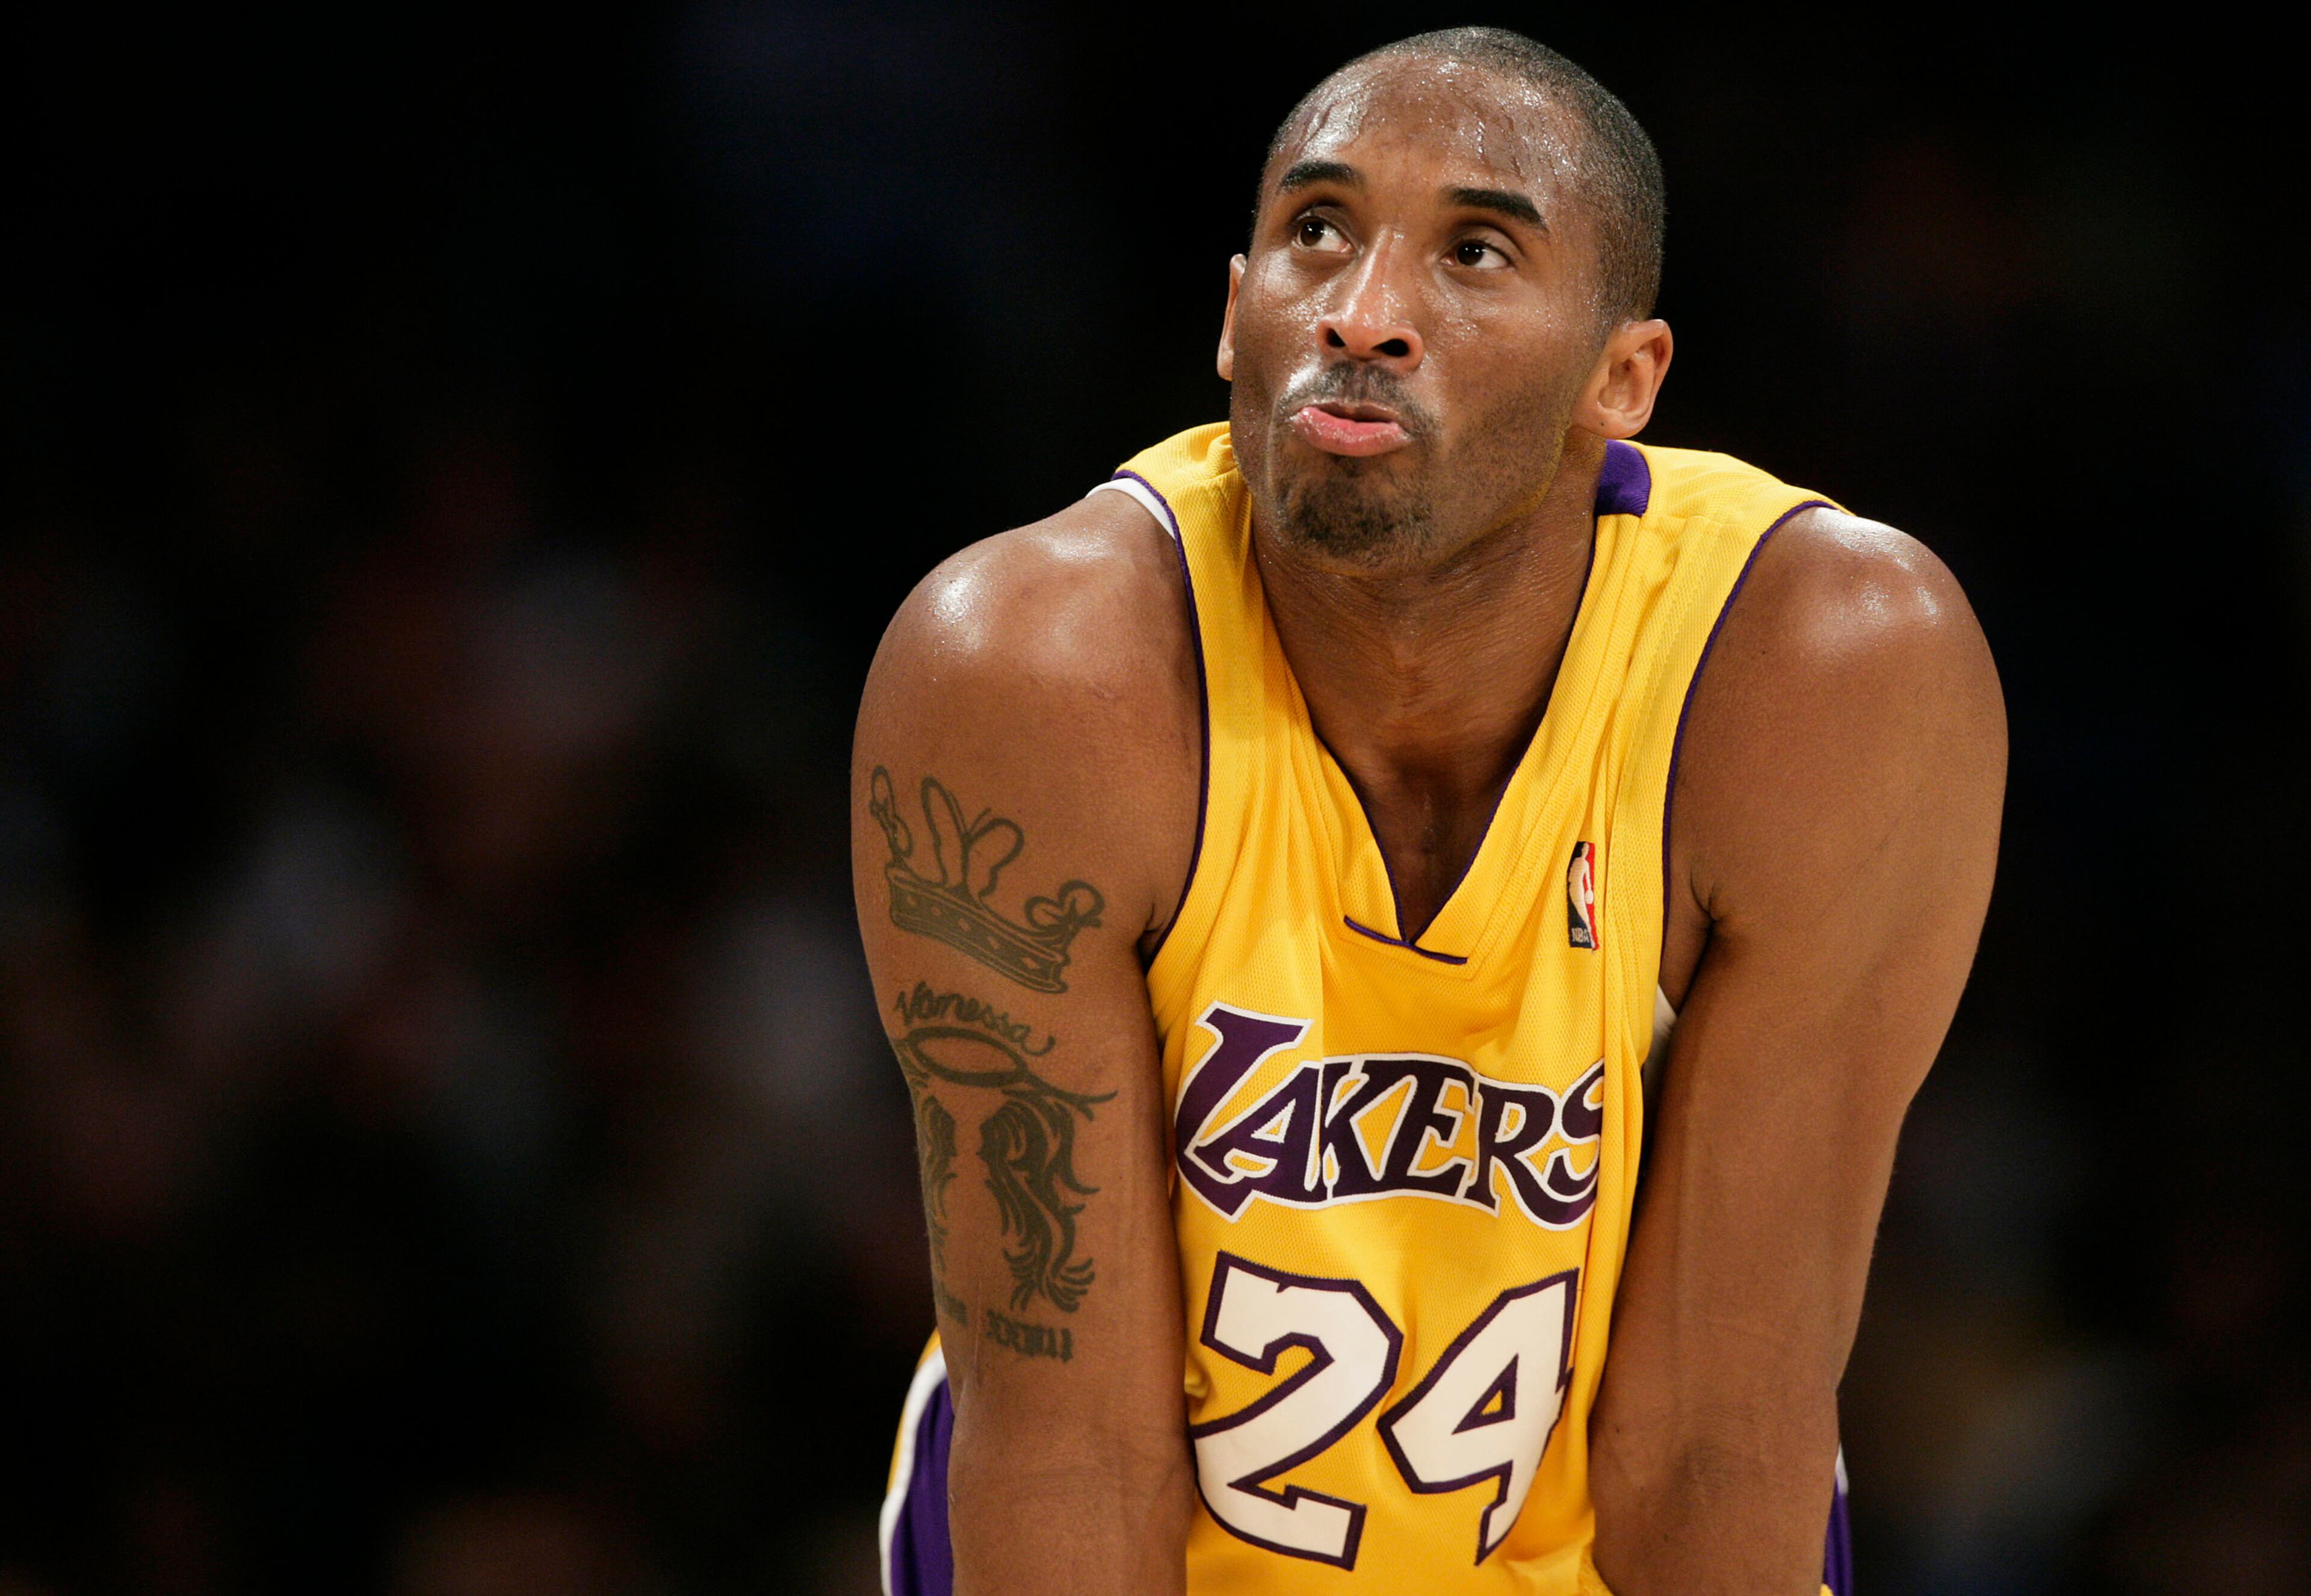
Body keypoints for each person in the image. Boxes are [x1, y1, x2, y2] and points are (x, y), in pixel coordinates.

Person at [853, 26, 2004, 1596]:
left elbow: (1714, 1442)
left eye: (1475, 250)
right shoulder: (1035, 674)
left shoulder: (1825, 667)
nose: (1364, 310)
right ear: (1230, 314)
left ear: (1625, 380)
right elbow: (1070, 1446)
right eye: (1314, 230)